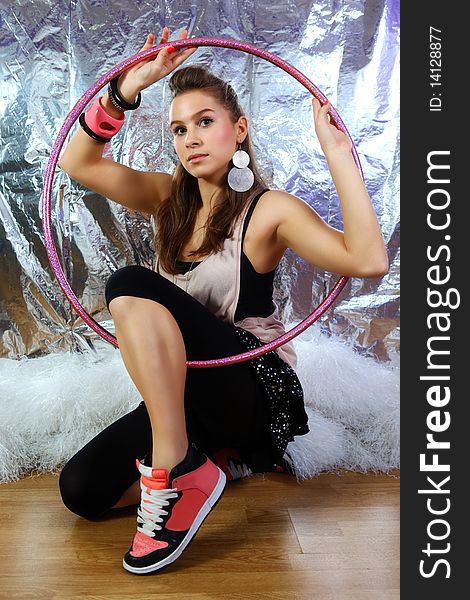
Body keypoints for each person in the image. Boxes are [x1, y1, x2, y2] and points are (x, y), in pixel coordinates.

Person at [57, 27, 389, 575]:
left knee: (128, 284)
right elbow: (79, 163)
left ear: (239, 131)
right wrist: (127, 88)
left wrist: (338, 155)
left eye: (205, 122)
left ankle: (179, 464)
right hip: (191, 392)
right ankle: (208, 463)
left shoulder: (270, 210)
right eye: (180, 128)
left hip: (254, 387)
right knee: (82, 491)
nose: (190, 138)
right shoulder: (169, 199)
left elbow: (369, 261)